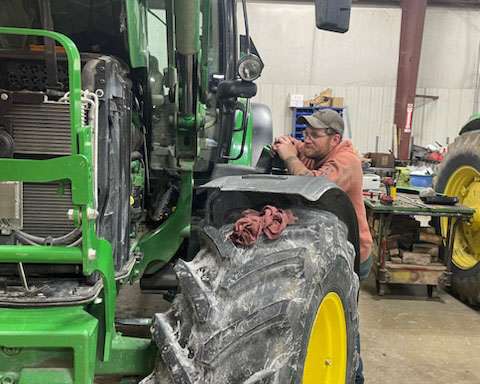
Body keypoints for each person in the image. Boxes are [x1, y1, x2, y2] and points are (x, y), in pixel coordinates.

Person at [272, 108, 372, 384]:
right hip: (326, 246)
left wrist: (291, 156)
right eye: (305, 133)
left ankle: (355, 376)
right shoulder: (318, 154)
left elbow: (311, 185)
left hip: (353, 251)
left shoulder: (346, 161)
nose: (307, 140)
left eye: (314, 135)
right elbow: (300, 162)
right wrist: (291, 148)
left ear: (334, 138)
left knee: (346, 319)